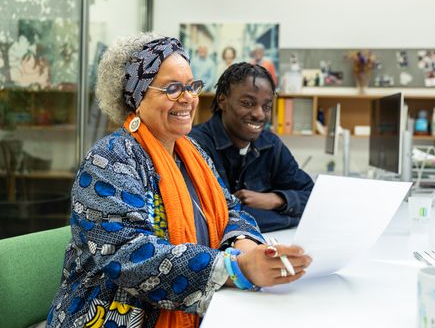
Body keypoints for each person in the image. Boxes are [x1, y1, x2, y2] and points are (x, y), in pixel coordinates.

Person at [46, 33, 311, 328]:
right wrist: (236, 268)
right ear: (137, 95)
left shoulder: (192, 152)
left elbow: (231, 209)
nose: (188, 98)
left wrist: (246, 244)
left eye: (191, 86)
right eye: (173, 88)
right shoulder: (109, 159)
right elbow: (129, 256)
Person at [189, 62, 314, 232]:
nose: (259, 114)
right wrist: (291, 217)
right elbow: (220, 218)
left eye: (267, 106)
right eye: (247, 103)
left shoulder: (270, 144)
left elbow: (313, 197)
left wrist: (276, 199)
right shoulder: (195, 145)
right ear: (222, 101)